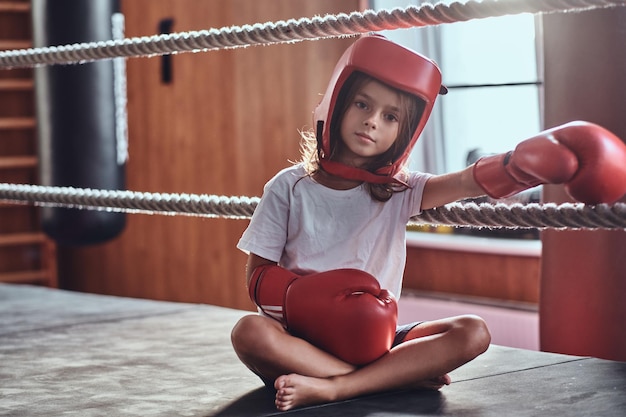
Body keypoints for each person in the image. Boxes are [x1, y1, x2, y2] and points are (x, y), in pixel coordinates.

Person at [231, 34, 626, 412]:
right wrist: (318, 304)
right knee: (248, 333)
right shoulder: (289, 186)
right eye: (363, 105)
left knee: (473, 332)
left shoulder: (399, 190)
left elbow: (467, 181)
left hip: (375, 341)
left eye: (389, 117)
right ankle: (386, 378)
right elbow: (258, 279)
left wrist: (522, 165)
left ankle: (341, 386)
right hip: (300, 344)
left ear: (404, 133)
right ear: (337, 103)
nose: (372, 122)